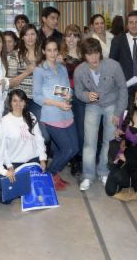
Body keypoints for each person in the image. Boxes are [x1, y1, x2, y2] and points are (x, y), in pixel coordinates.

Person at [74, 38, 128, 191]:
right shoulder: (79, 71)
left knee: (109, 141)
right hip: (92, 106)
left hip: (112, 104)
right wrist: (87, 96)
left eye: (96, 53)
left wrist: (118, 112)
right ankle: (88, 175)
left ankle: (104, 172)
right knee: (89, 142)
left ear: (100, 52)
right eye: (89, 54)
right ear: (83, 55)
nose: (94, 58)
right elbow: (78, 92)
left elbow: (123, 89)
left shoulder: (114, 66)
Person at [33, 36, 78, 190]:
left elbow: (66, 89)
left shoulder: (62, 68)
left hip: (67, 113)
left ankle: (54, 174)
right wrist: (58, 103)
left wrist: (69, 96)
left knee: (74, 148)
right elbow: (37, 96)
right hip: (52, 115)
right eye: (49, 50)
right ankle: (49, 175)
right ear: (44, 51)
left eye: (55, 50)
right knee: (67, 149)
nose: (52, 53)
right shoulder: (39, 70)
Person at [0, 89, 47, 170]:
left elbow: (39, 138)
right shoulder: (4, 121)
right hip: (14, 162)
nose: (18, 104)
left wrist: (42, 159)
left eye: (21, 101)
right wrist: (8, 165)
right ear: (10, 103)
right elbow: (2, 148)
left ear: (25, 103)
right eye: (15, 101)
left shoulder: (31, 116)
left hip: (33, 159)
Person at [109, 11, 137, 88]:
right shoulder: (117, 40)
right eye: (131, 22)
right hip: (124, 85)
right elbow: (112, 63)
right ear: (127, 25)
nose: (134, 25)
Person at [61, 24, 84, 176]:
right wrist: (65, 95)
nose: (71, 39)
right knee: (68, 129)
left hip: (81, 96)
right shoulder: (59, 55)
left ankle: (79, 158)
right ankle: (73, 158)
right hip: (65, 96)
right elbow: (54, 80)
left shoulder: (85, 55)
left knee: (81, 129)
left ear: (79, 38)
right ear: (64, 38)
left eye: (75, 36)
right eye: (68, 35)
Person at [7, 24, 41, 121]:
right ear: (22, 37)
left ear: (37, 36)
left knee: (41, 128)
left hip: (38, 98)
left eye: (32, 34)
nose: (30, 37)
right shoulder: (15, 55)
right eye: (26, 35)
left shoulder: (43, 54)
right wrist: (26, 72)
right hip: (20, 99)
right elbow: (10, 83)